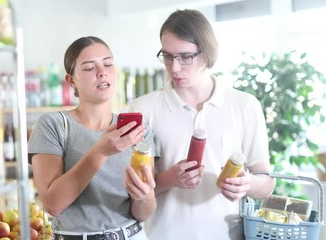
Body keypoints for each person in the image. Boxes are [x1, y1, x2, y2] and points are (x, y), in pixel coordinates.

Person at [130, 9, 275, 239]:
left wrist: (247, 184)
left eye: (185, 57)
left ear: (207, 53)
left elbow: (266, 184)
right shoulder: (142, 110)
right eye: (167, 56)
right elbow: (133, 193)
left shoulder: (245, 105)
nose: (174, 68)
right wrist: (170, 178)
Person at [28, 36, 156, 240]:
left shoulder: (136, 129)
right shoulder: (53, 125)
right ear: (71, 81)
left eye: (108, 64)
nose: (102, 72)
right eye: (89, 68)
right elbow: (53, 204)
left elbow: (144, 212)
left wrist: (145, 196)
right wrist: (101, 151)